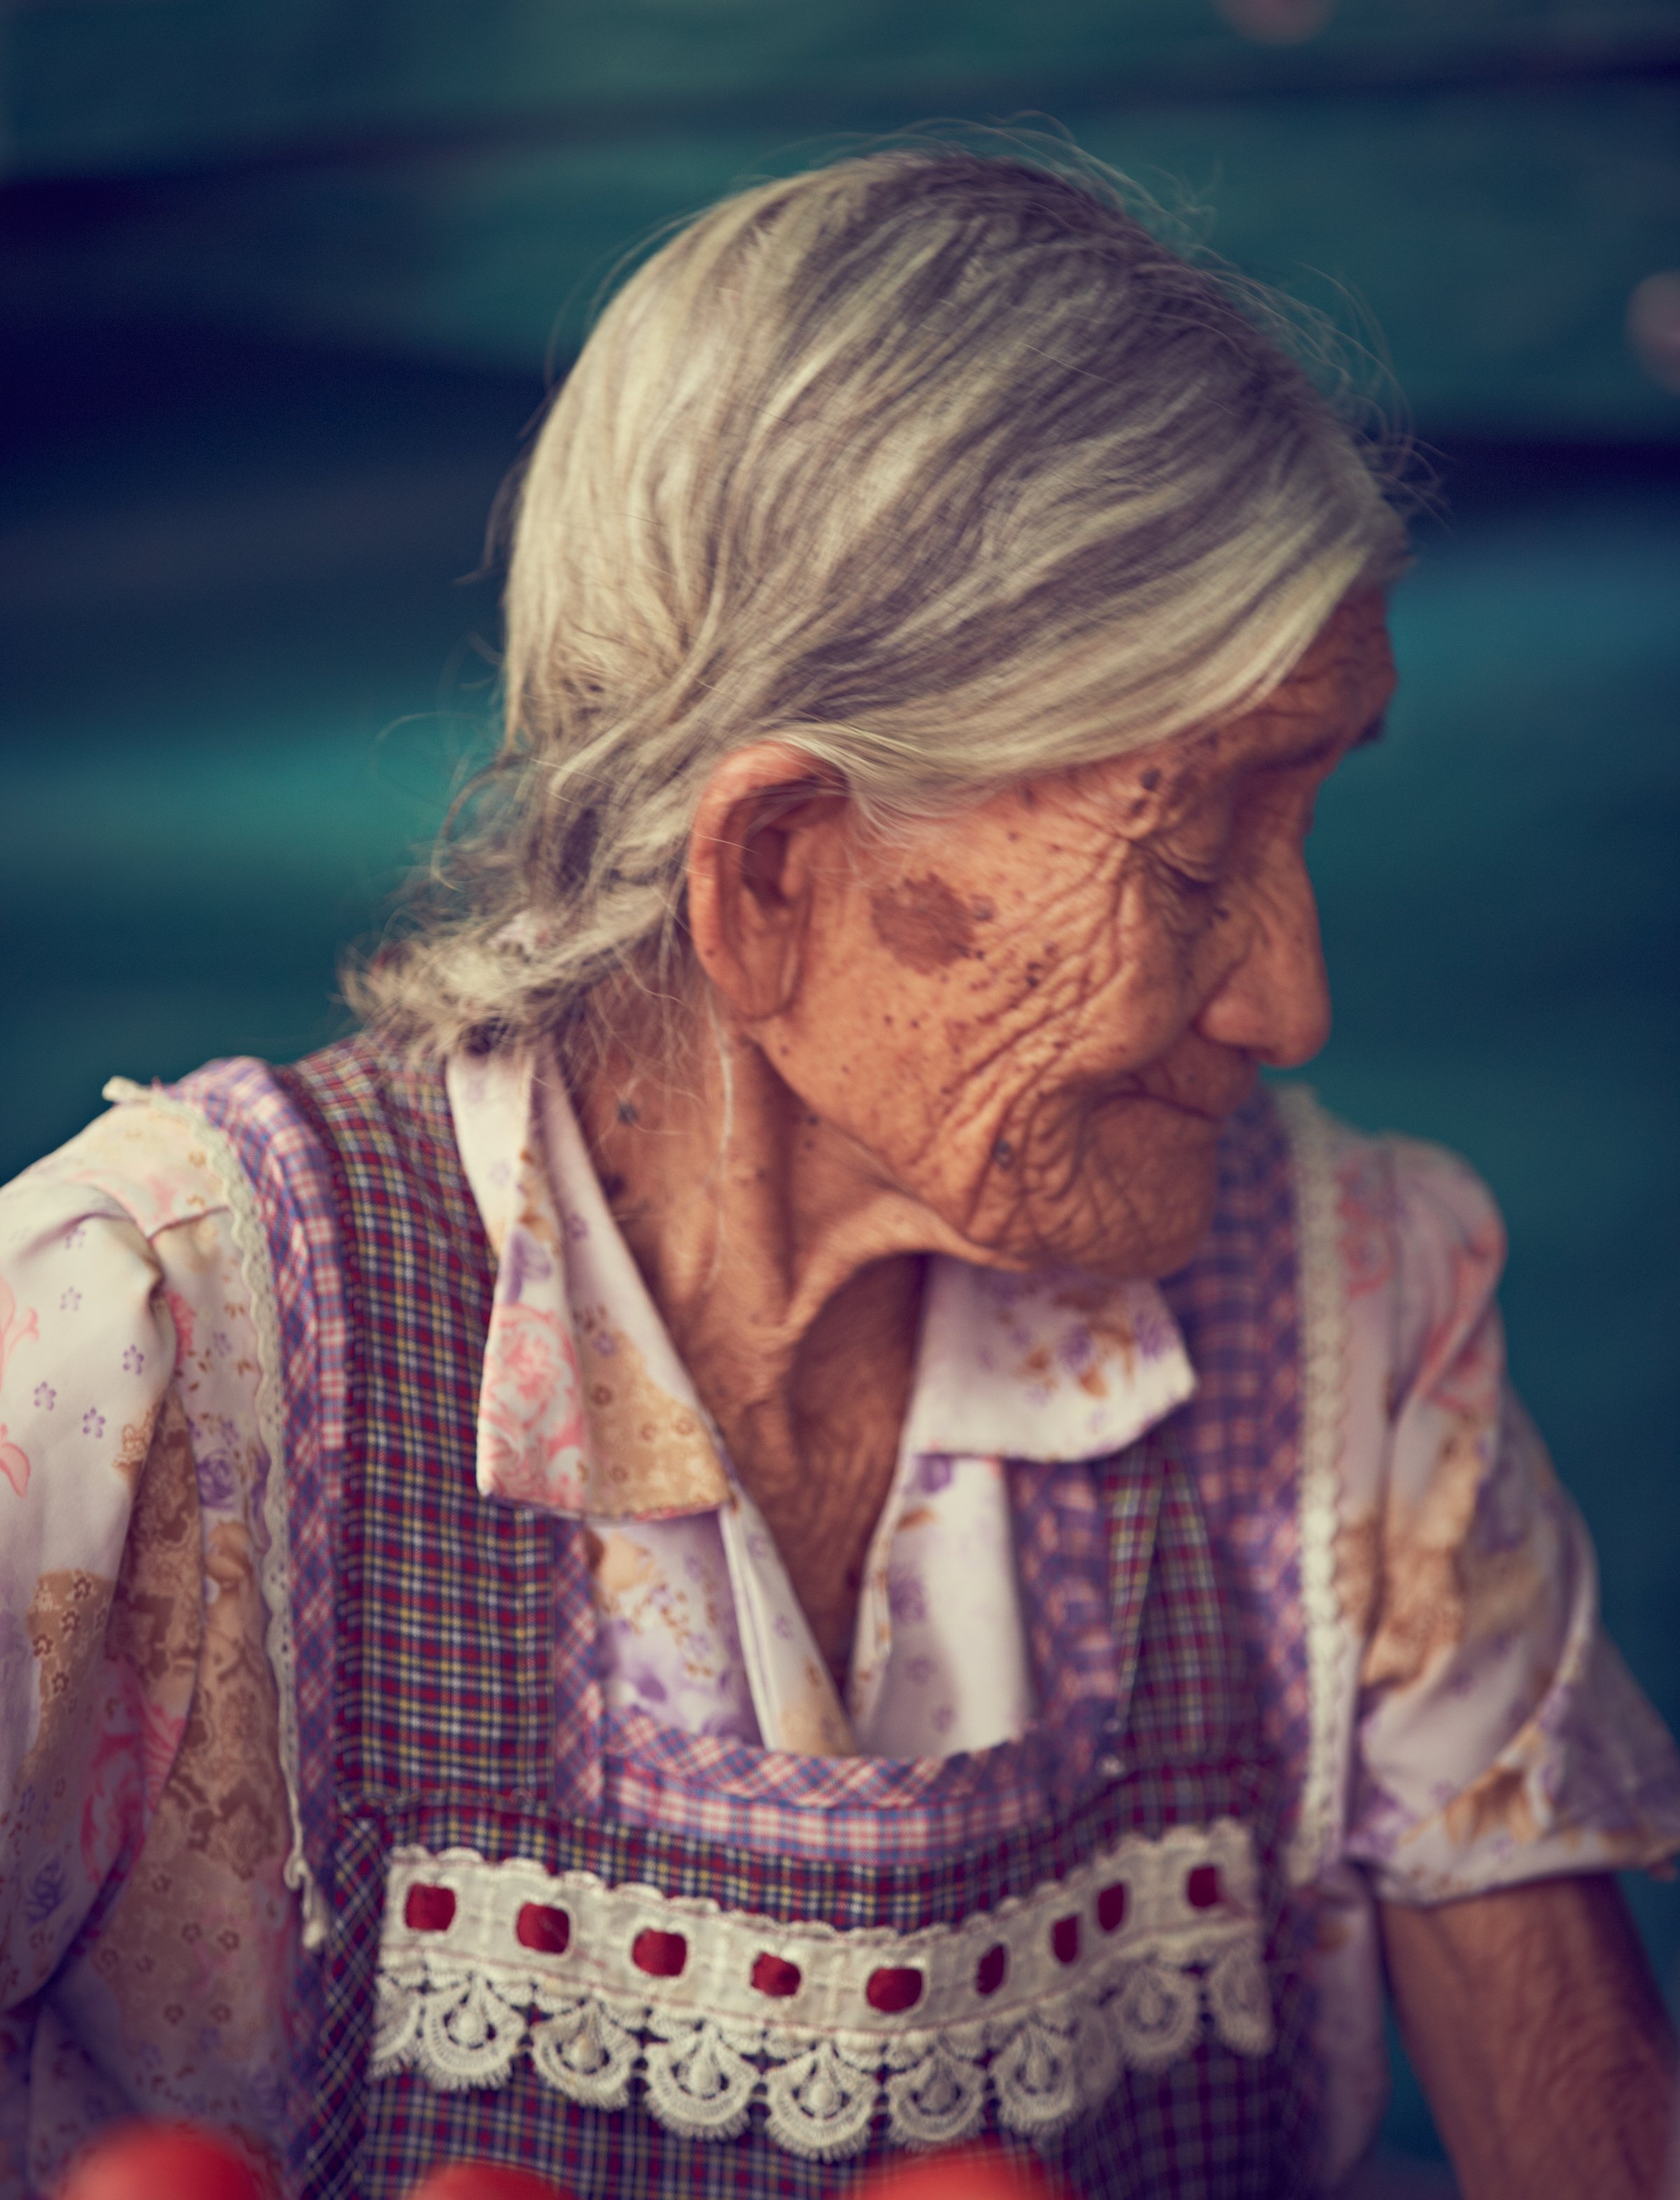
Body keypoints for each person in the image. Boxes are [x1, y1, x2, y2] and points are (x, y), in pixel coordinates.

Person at [1, 146, 1674, 2200]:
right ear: (777, 874)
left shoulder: (1354, 1312)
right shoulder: (150, 1346)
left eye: (1309, 812)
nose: (1294, 1000)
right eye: (1192, 850)